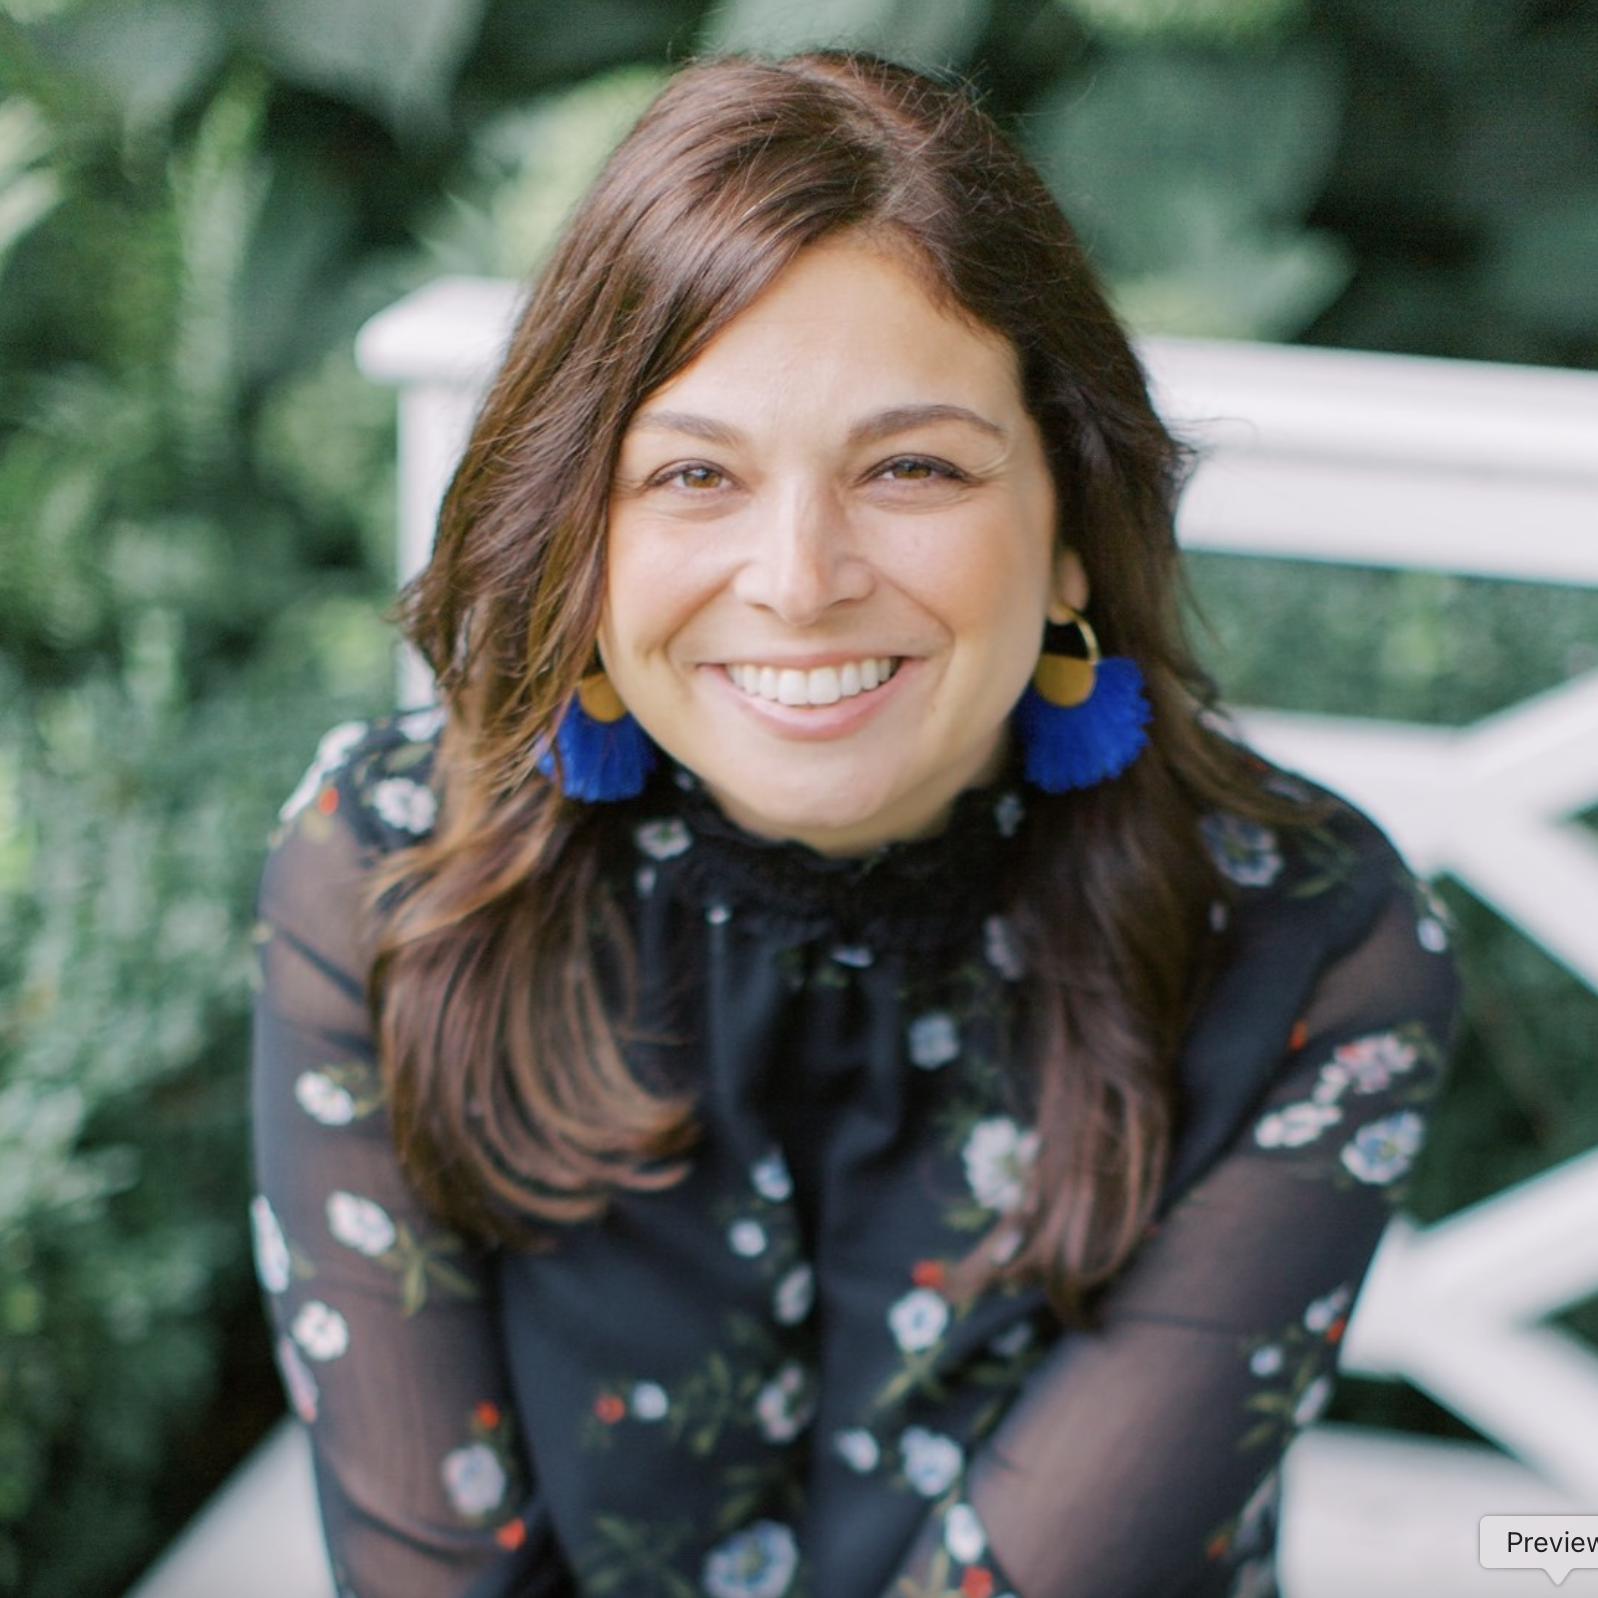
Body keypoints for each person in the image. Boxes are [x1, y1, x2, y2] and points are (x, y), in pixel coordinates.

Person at [251, 50, 1457, 1598]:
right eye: (692, 471)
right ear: (579, 540)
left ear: (1071, 530)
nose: (800, 573)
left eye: (909, 465)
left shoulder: (1300, 940)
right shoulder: (390, 871)